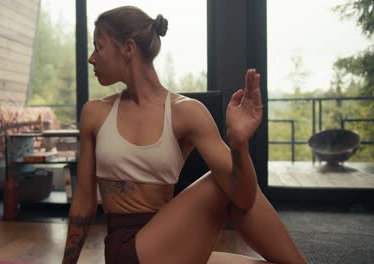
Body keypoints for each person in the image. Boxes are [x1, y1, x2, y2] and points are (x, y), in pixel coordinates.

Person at [62, 6, 306, 264]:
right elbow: (84, 203)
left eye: (98, 47)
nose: (91, 58)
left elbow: (246, 199)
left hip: (170, 246)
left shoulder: (185, 112)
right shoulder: (95, 113)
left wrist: (239, 143)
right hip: (127, 252)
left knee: (235, 189)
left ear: (128, 48)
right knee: (221, 182)